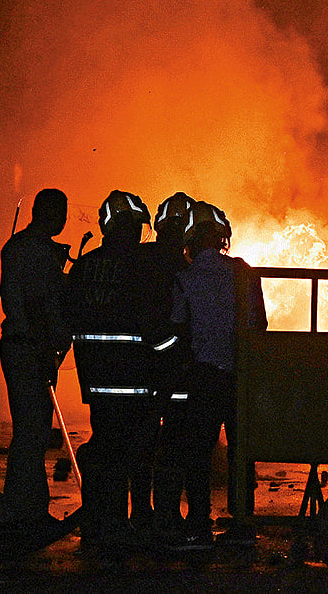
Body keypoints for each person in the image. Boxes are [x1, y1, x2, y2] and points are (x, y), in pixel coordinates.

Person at [66, 189, 161, 555]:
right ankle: (128, 524)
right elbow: (156, 325)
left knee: (104, 447)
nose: (139, 233)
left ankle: (100, 521)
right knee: (135, 452)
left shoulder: (85, 266)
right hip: (135, 382)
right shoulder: (142, 268)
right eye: (136, 225)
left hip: (96, 381)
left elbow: (70, 316)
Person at [170, 201, 267, 549]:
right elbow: (261, 325)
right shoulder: (244, 272)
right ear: (222, 236)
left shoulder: (185, 278)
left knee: (198, 451)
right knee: (241, 450)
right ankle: (242, 525)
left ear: (191, 240)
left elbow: (178, 328)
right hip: (241, 377)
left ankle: (198, 525)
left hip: (203, 378)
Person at [0, 188, 73, 550]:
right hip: (30, 349)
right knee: (33, 433)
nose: (65, 220)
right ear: (50, 213)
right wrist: (46, 347)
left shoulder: (17, 247)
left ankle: (17, 510)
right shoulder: (38, 252)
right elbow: (37, 304)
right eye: (62, 212)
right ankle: (26, 513)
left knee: (29, 432)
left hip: (22, 347)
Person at [141, 191, 195, 541]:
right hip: (176, 372)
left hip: (140, 371)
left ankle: (142, 515)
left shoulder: (142, 260)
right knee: (175, 444)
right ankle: (167, 515)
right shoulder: (187, 272)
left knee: (142, 443)